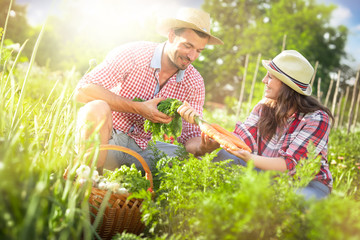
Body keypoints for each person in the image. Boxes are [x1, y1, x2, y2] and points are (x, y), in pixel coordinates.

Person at [74, 8, 223, 172]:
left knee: (196, 166)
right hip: (109, 139)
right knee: (95, 108)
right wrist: (139, 108)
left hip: (144, 148)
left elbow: (190, 138)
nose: (192, 56)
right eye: (188, 46)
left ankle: (146, 193)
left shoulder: (194, 82)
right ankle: (90, 180)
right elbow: (83, 90)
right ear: (172, 36)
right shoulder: (134, 54)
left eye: (199, 51)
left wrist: (203, 147)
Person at [178, 50, 334, 200]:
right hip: (266, 173)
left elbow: (290, 165)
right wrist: (204, 126)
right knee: (216, 157)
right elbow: (241, 139)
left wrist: (249, 158)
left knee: (292, 203)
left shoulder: (317, 119)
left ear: (287, 86)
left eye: (270, 77)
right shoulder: (264, 107)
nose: (264, 80)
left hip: (307, 184)